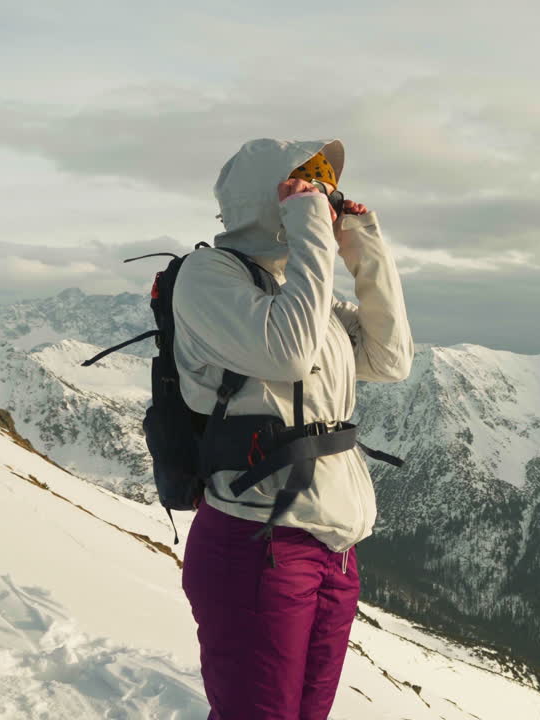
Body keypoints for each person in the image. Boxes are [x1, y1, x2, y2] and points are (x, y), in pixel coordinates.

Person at [174, 138, 414, 720]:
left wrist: (364, 247)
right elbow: (286, 354)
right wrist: (310, 229)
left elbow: (390, 358)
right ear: (266, 196)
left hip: (330, 547)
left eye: (322, 185)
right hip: (257, 544)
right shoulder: (209, 277)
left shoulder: (303, 296)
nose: (321, 194)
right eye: (305, 182)